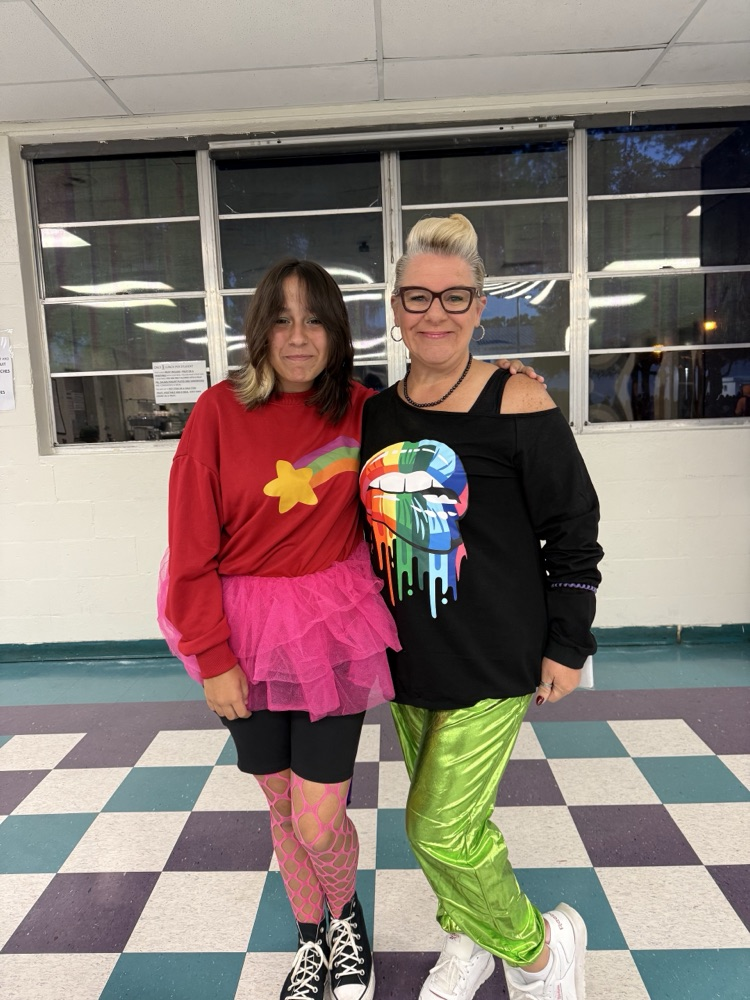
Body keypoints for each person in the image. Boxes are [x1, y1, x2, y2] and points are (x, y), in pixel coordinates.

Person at [157, 255, 541, 1000]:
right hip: (242, 638)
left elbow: (444, 406)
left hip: (330, 629)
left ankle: (347, 917)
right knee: (281, 808)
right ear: (259, 330)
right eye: (281, 320)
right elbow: (189, 548)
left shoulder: (365, 410)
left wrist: (505, 380)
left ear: (338, 332)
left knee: (318, 815)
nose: (298, 337)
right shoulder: (216, 412)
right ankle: (315, 936)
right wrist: (211, 656)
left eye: (315, 321)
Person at [359, 214, 603, 1000]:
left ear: (480, 307)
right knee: (452, 821)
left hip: (497, 654)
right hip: (406, 657)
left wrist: (569, 641)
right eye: (418, 297)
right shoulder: (369, 413)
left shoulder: (518, 398)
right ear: (395, 308)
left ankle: (538, 950)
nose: (435, 312)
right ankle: (467, 938)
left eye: (454, 296)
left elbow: (573, 526)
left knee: (436, 827)